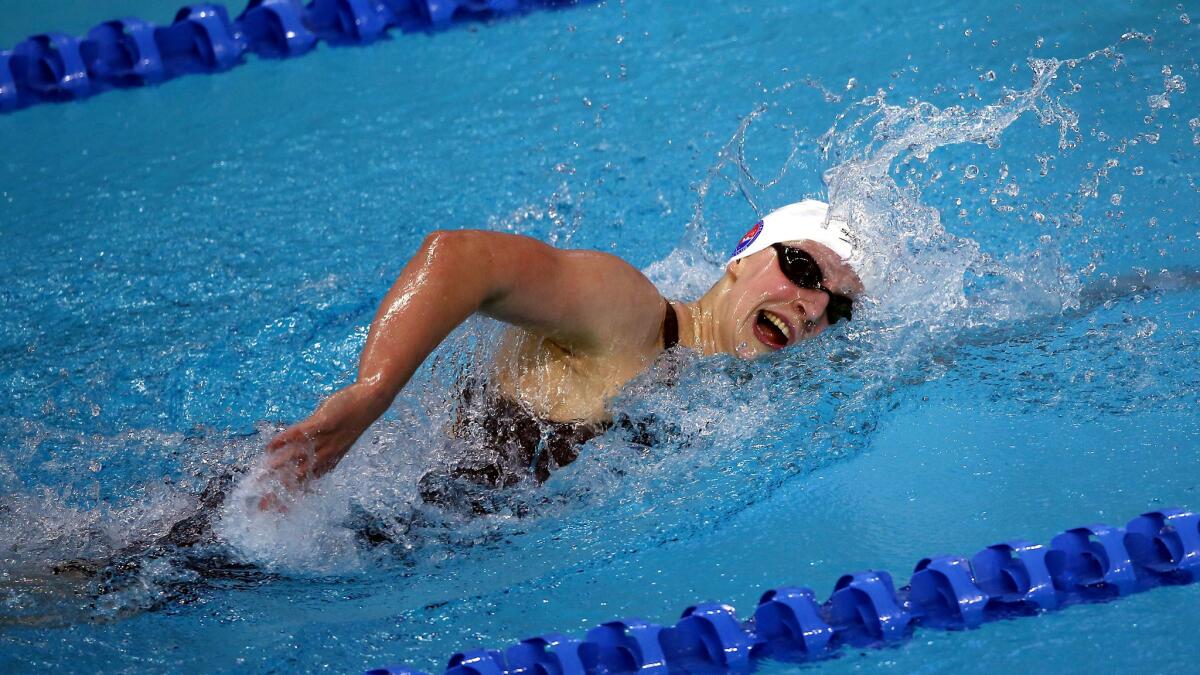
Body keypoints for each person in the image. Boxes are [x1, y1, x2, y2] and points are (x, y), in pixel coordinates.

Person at [260, 199, 866, 506]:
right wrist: (373, 393)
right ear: (744, 255)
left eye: (834, 309)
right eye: (803, 268)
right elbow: (460, 257)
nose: (812, 307)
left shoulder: (720, 384)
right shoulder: (630, 313)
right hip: (322, 509)